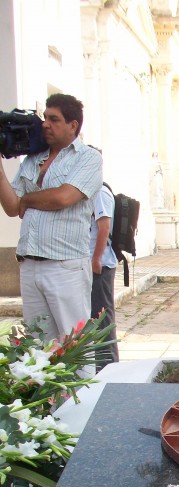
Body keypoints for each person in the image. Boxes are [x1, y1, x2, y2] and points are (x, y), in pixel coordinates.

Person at [0, 93, 102, 343]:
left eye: (54, 119)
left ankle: (82, 385)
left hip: (64, 266)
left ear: (73, 125)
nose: (45, 124)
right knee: (38, 346)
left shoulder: (88, 158)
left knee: (74, 345)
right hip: (30, 264)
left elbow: (63, 198)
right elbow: (13, 207)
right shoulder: (33, 160)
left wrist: (28, 199)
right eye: (45, 117)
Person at [90, 182, 119, 369]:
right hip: (95, 264)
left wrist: (96, 259)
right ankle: (100, 365)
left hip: (101, 265)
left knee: (102, 319)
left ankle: (108, 368)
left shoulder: (99, 191)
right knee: (96, 316)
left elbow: (104, 227)